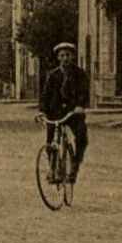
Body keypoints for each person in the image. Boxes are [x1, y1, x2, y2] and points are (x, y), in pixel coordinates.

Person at [40, 41, 90, 183]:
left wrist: (80, 106)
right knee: (50, 140)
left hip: (73, 112)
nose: (65, 58)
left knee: (81, 136)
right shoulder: (53, 75)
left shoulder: (80, 74)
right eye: (62, 55)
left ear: (72, 56)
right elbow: (45, 95)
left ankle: (75, 165)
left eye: (68, 55)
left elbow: (84, 93)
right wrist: (43, 111)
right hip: (55, 112)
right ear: (58, 58)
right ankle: (52, 167)